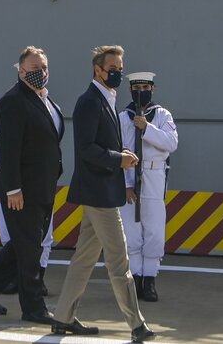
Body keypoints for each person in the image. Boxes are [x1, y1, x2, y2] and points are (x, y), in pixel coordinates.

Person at [53, 45, 155, 343]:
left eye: (120, 67)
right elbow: (85, 150)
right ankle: (137, 325)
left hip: (101, 191)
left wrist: (118, 153)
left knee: (84, 258)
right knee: (119, 262)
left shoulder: (104, 99)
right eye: (114, 68)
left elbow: (98, 144)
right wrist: (118, 159)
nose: (118, 73)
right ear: (98, 69)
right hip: (99, 194)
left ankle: (62, 317)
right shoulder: (89, 102)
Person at [0, 47, 63, 322]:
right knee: (29, 251)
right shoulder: (13, 101)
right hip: (21, 191)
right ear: (21, 71)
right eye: (34, 69)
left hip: (43, 187)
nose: (41, 73)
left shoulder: (45, 100)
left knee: (28, 243)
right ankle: (33, 308)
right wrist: (13, 189)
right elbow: (7, 150)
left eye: (44, 68)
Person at [119, 72, 178, 302]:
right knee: (132, 232)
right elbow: (119, 149)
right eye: (136, 87)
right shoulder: (124, 116)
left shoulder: (162, 114)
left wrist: (147, 128)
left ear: (152, 89)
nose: (140, 92)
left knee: (153, 231)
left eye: (145, 87)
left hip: (154, 175)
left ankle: (150, 279)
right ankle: (135, 278)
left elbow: (171, 143)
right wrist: (126, 184)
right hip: (129, 174)